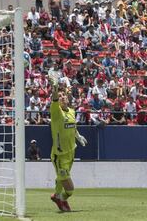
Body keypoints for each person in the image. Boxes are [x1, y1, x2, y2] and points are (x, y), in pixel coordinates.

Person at [49, 78, 88, 212]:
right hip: (59, 155)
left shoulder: (71, 111)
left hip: (71, 151)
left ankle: (58, 197)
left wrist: (78, 137)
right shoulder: (56, 111)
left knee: (62, 179)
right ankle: (62, 197)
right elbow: (54, 99)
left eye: (63, 95)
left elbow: (73, 127)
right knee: (70, 189)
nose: (62, 97)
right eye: (59, 96)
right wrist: (54, 88)